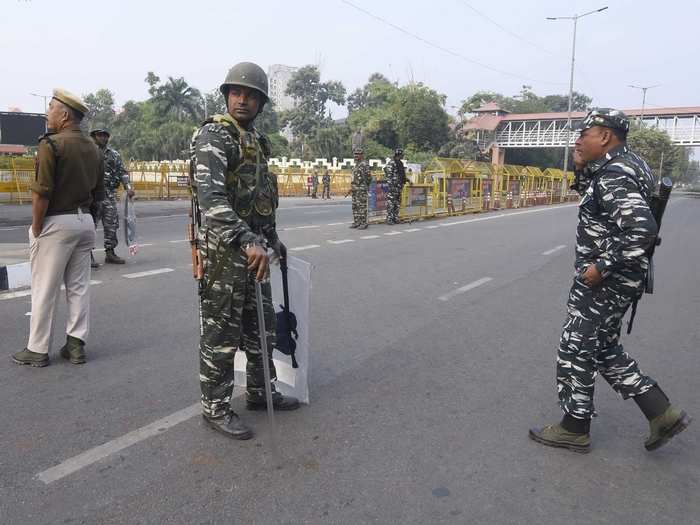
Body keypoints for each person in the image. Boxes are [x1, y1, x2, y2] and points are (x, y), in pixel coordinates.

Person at [529, 109, 691, 453]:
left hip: (606, 280)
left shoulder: (616, 172)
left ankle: (574, 428)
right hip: (623, 277)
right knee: (602, 347)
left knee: (575, 346)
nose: (577, 140)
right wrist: (579, 168)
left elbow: (641, 229)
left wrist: (601, 266)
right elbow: (602, 204)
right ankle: (661, 413)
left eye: (583, 133)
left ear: (604, 136)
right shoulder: (625, 165)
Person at [191, 62, 299, 440]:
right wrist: (248, 240)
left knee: (262, 328)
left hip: (255, 252)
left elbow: (261, 199)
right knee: (221, 332)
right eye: (236, 92)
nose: (243, 99)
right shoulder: (214, 138)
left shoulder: (256, 142)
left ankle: (260, 392)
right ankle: (215, 407)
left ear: (261, 104)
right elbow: (212, 201)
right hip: (225, 251)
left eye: (251, 95)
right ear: (226, 96)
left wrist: (270, 237)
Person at [12, 89, 104, 367]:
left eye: (50, 107)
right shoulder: (93, 148)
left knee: (44, 288)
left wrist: (37, 227)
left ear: (64, 115)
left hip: (56, 222)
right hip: (84, 221)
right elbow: (100, 194)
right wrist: (87, 220)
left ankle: (37, 349)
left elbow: (42, 192)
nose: (47, 113)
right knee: (78, 287)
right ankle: (76, 345)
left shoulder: (51, 145)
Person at [90, 128, 135, 264]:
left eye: (105, 136)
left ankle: (110, 252)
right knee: (90, 226)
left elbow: (123, 172)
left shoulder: (114, 154)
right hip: (91, 195)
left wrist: (128, 188)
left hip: (109, 194)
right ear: (94, 137)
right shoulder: (88, 152)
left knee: (111, 225)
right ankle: (87, 255)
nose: (103, 138)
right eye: (99, 135)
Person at [349, 148, 371, 230]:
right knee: (355, 206)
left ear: (362, 155)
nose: (356, 155)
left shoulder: (364, 164)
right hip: (355, 188)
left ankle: (363, 223)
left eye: (358, 154)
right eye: (355, 154)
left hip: (361, 188)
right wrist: (352, 187)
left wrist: (364, 186)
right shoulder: (356, 165)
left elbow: (369, 177)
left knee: (362, 206)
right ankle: (357, 222)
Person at [384, 148, 407, 224]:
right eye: (402, 155)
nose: (403, 156)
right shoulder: (392, 163)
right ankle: (389, 219)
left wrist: (407, 180)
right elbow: (388, 174)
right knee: (391, 203)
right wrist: (391, 185)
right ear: (399, 155)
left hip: (399, 186)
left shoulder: (400, 163)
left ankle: (395, 218)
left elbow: (401, 174)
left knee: (397, 203)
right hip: (393, 186)